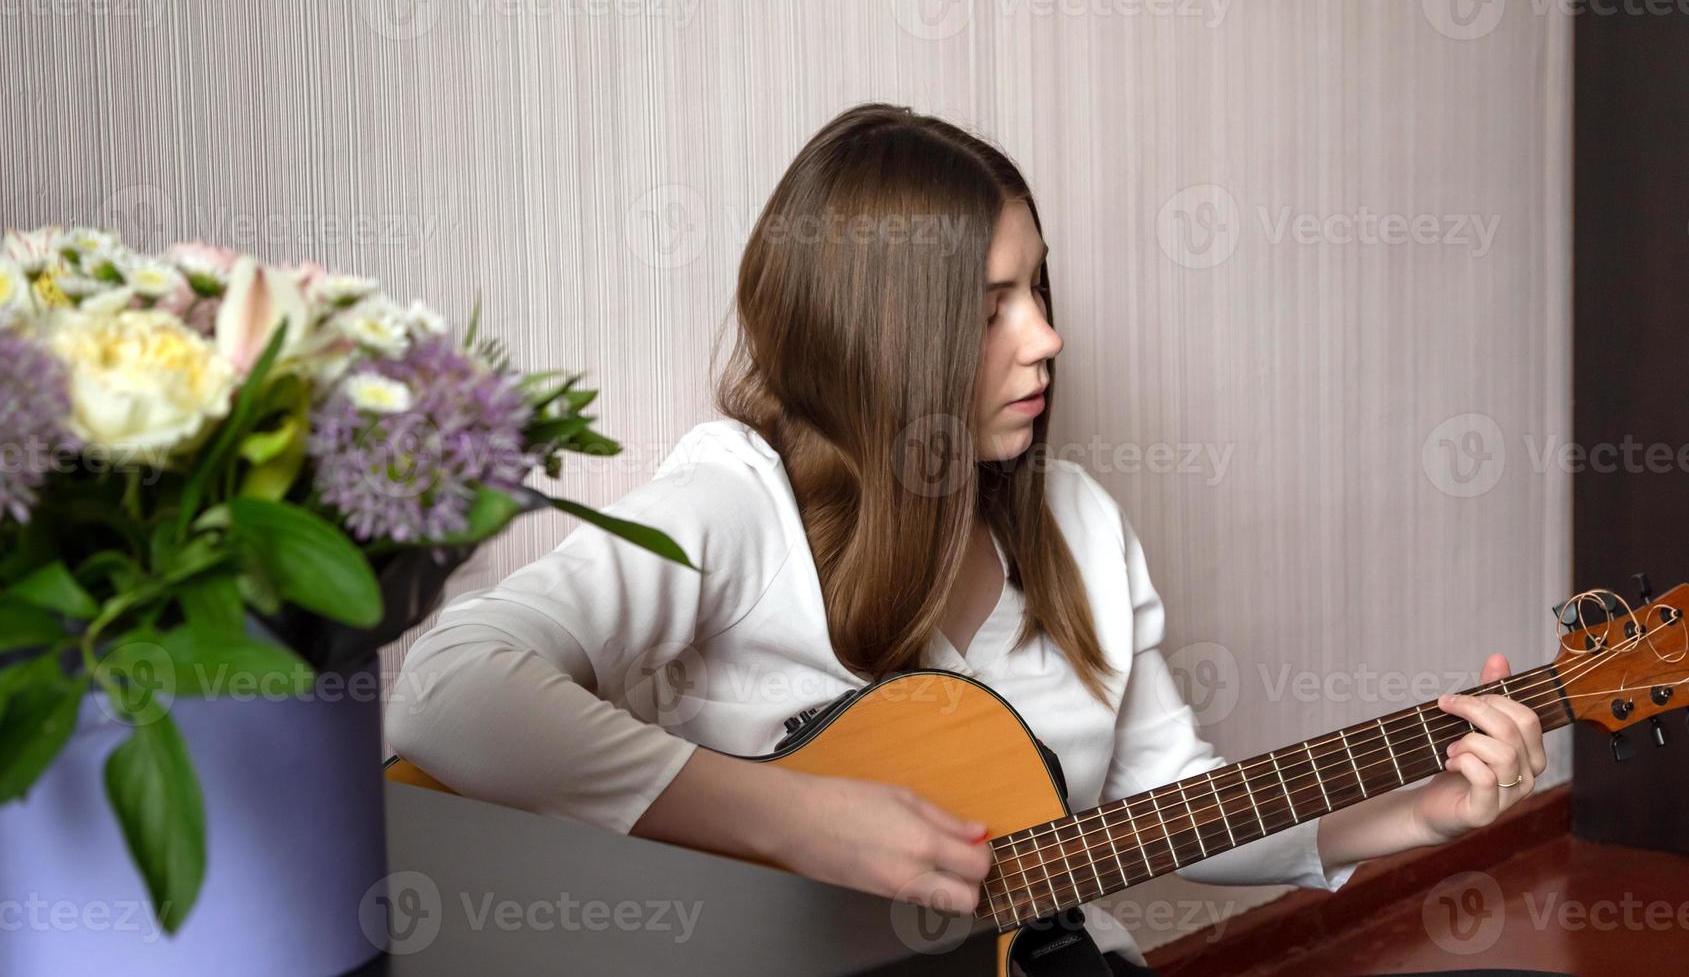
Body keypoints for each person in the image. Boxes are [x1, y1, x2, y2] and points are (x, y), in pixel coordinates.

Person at [384, 103, 1548, 971]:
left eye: (1040, 288)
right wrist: (798, 818)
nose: (1044, 337)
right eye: (992, 308)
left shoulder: (1078, 522)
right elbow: (445, 691)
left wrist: (1419, 811)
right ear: (880, 331)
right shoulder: (740, 502)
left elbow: (1180, 803)